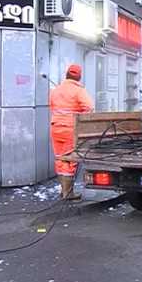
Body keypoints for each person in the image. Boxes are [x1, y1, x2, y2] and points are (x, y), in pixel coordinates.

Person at [49, 64, 94, 200]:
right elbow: (89, 108)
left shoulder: (56, 90)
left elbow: (52, 106)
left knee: (59, 158)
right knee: (70, 159)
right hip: (70, 129)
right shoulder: (78, 90)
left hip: (56, 127)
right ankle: (68, 193)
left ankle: (64, 191)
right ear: (79, 77)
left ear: (66, 74)